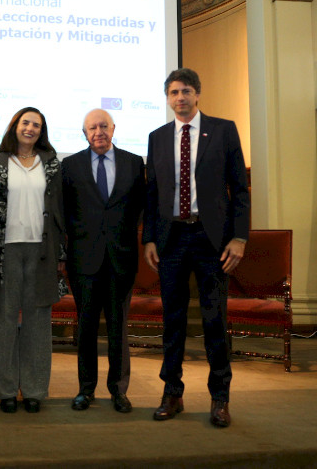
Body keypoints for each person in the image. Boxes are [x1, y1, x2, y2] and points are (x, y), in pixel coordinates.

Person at [142, 68, 250, 428]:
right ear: (168, 98)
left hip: (212, 239)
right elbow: (152, 194)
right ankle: (172, 393)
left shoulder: (223, 130)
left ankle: (220, 398)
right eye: (173, 92)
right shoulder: (157, 138)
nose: (180, 98)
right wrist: (150, 238)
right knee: (172, 320)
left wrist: (239, 237)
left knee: (214, 318)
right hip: (171, 238)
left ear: (198, 94)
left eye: (186, 91)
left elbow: (240, 188)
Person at [62, 108, 145, 413]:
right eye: (92, 128)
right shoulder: (70, 166)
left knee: (118, 329)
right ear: (84, 133)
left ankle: (118, 391)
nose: (98, 131)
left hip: (121, 258)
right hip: (83, 260)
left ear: (114, 128)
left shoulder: (134, 164)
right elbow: (65, 211)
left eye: (103, 126)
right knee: (85, 329)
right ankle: (86, 390)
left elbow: (140, 207)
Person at [0, 107, 64, 414]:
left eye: (37, 125)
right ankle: (4, 390)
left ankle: (33, 389)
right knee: (4, 321)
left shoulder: (52, 165)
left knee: (37, 323)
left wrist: (61, 254)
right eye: (26, 122)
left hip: (42, 252)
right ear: (15, 126)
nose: (30, 128)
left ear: (41, 131)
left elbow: (60, 212)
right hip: (4, 252)